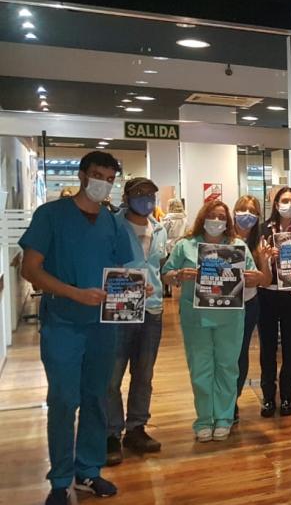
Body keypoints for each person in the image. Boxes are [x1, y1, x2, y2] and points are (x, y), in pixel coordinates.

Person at [19, 151, 134, 505]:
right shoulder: (51, 215)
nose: (104, 184)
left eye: (110, 179)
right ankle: (60, 479)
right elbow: (30, 269)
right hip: (64, 323)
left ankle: (88, 470)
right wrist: (74, 293)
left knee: (96, 398)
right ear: (82, 176)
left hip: (102, 326)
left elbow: (121, 269)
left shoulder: (112, 222)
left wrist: (136, 287)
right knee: (64, 400)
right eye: (98, 175)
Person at [162, 200, 258, 443]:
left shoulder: (237, 247)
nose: (217, 221)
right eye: (212, 215)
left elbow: (253, 276)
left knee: (227, 367)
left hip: (230, 316)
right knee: (200, 369)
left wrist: (253, 276)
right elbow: (166, 274)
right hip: (196, 317)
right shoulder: (185, 246)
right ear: (202, 217)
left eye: (222, 217)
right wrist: (178, 275)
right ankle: (204, 419)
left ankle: (224, 417)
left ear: (228, 221)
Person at [106, 178, 168, 467]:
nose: (146, 199)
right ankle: (110, 432)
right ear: (127, 197)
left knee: (144, 374)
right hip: (120, 308)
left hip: (152, 310)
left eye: (151, 194)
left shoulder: (159, 229)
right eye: (139, 194)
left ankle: (136, 428)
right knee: (112, 375)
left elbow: (157, 266)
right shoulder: (112, 225)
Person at [257, 187, 291, 417]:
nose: (289, 205)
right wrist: (267, 258)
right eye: (285, 200)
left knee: (290, 347)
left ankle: (287, 396)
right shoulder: (262, 230)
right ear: (276, 203)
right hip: (266, 294)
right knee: (267, 348)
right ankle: (268, 397)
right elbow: (254, 260)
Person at [232, 195, 273, 422]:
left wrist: (264, 263)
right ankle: (221, 399)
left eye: (253, 211)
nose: (247, 215)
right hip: (224, 305)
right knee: (224, 354)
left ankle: (233, 400)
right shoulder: (224, 239)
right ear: (234, 211)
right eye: (243, 209)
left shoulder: (260, 242)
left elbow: (266, 281)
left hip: (248, 304)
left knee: (240, 353)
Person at [161, 198, 187, 297]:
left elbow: (163, 234)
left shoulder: (167, 219)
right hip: (181, 247)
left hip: (168, 247)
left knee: (166, 269)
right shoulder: (185, 220)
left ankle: (167, 289)